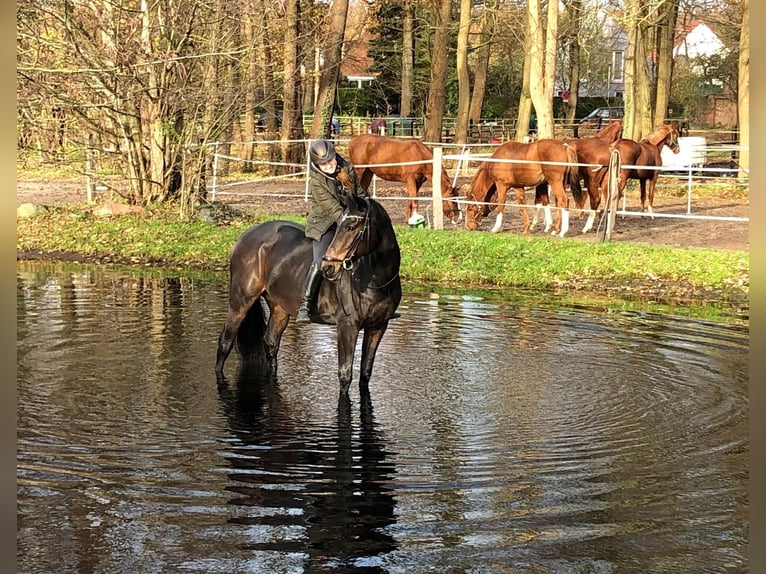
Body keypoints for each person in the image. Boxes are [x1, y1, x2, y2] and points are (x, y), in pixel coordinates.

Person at [296, 139, 367, 323]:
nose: (330, 165)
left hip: (351, 219)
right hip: (326, 223)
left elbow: (360, 194)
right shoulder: (316, 180)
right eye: (324, 163)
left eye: (331, 160)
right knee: (321, 260)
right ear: (317, 164)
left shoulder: (348, 168)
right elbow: (331, 208)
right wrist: (348, 219)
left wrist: (366, 209)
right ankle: (305, 304)